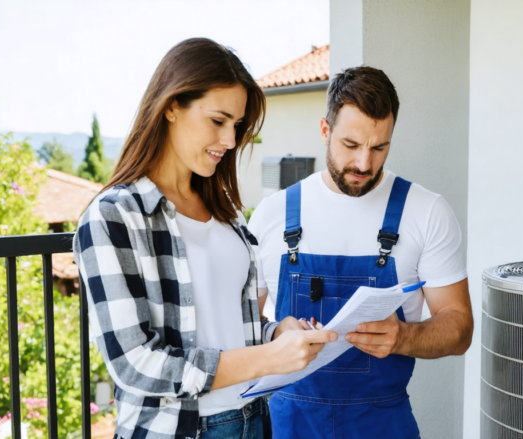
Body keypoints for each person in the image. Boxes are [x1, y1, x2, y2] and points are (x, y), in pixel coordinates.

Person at [73, 38, 336, 439]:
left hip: (253, 420)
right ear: (171, 107)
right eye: (218, 120)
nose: (230, 141)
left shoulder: (226, 212)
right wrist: (267, 358)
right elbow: (133, 364)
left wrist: (276, 333)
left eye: (237, 125)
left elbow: (228, 329)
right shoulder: (114, 216)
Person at [249, 66, 474, 439]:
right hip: (291, 422)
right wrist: (275, 335)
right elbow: (239, 331)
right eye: (351, 145)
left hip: (383, 422)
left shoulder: (427, 211)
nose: (364, 164)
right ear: (325, 131)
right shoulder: (272, 215)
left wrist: (403, 337)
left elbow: (460, 328)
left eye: (379, 147)